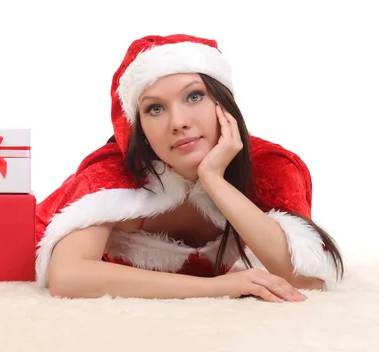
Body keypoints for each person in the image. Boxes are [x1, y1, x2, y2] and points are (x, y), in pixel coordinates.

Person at [34, 34, 344, 302]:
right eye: (155, 108)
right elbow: (68, 276)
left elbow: (306, 278)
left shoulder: (270, 166)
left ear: (223, 104)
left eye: (194, 96)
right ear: (138, 126)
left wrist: (213, 180)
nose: (178, 122)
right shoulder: (113, 171)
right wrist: (216, 288)